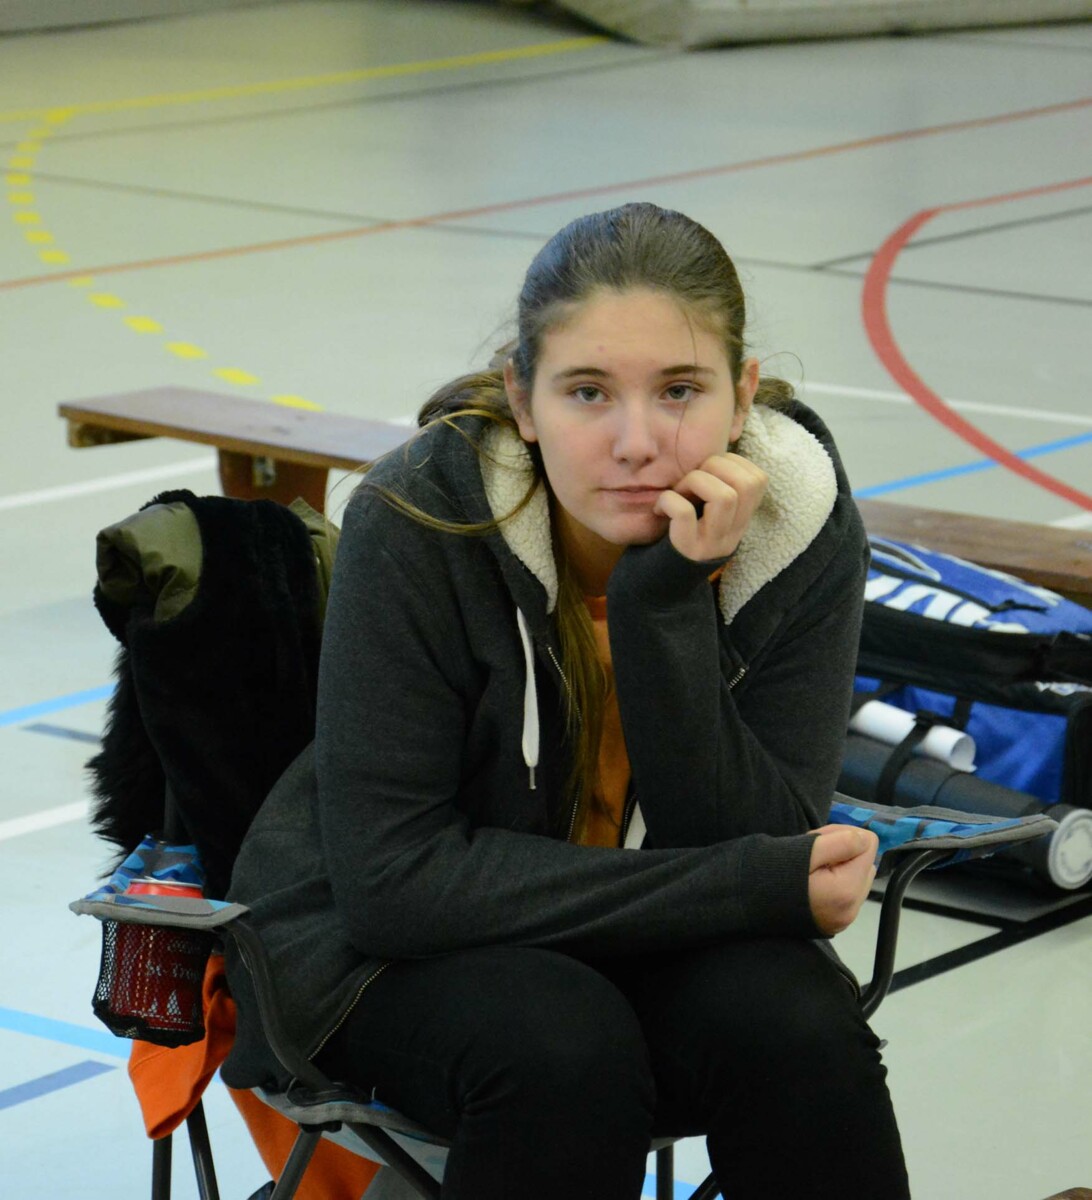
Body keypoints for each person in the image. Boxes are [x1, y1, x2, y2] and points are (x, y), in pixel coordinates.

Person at [222, 201, 910, 1199]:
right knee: (560, 1046)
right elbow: (395, 884)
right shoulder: (419, 516)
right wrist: (745, 883)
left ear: (742, 396)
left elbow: (757, 835)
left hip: (642, 938)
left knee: (797, 1021)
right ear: (522, 397)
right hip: (377, 956)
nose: (637, 442)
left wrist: (662, 605)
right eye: (588, 392)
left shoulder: (795, 528)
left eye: (680, 390)